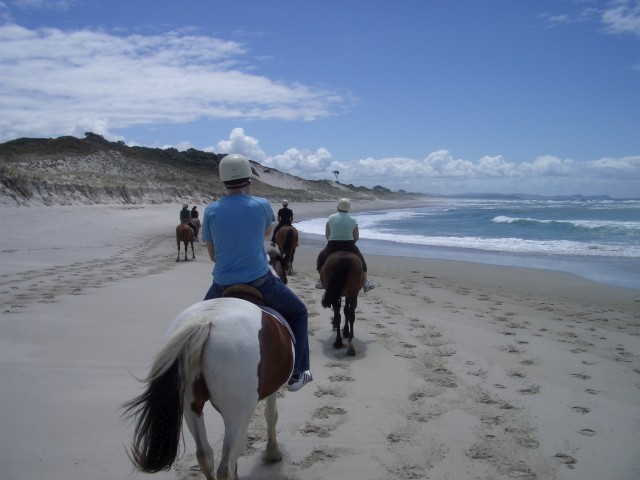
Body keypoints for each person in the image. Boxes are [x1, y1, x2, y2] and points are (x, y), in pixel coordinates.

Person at [201, 154, 312, 391]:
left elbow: (212, 256)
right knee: (299, 312)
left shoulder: (210, 211)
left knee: (197, 325)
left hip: (222, 283)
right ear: (248, 179)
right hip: (260, 280)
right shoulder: (261, 205)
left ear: (223, 180)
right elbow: (266, 232)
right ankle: (299, 372)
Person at [315, 198, 375, 292]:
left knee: (321, 259)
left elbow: (327, 235)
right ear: (349, 208)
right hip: (349, 244)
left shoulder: (331, 218)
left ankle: (321, 281)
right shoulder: (353, 220)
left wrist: (332, 241)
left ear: (337, 207)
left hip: (333, 244)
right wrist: (350, 244)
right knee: (362, 263)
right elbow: (356, 237)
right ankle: (365, 283)